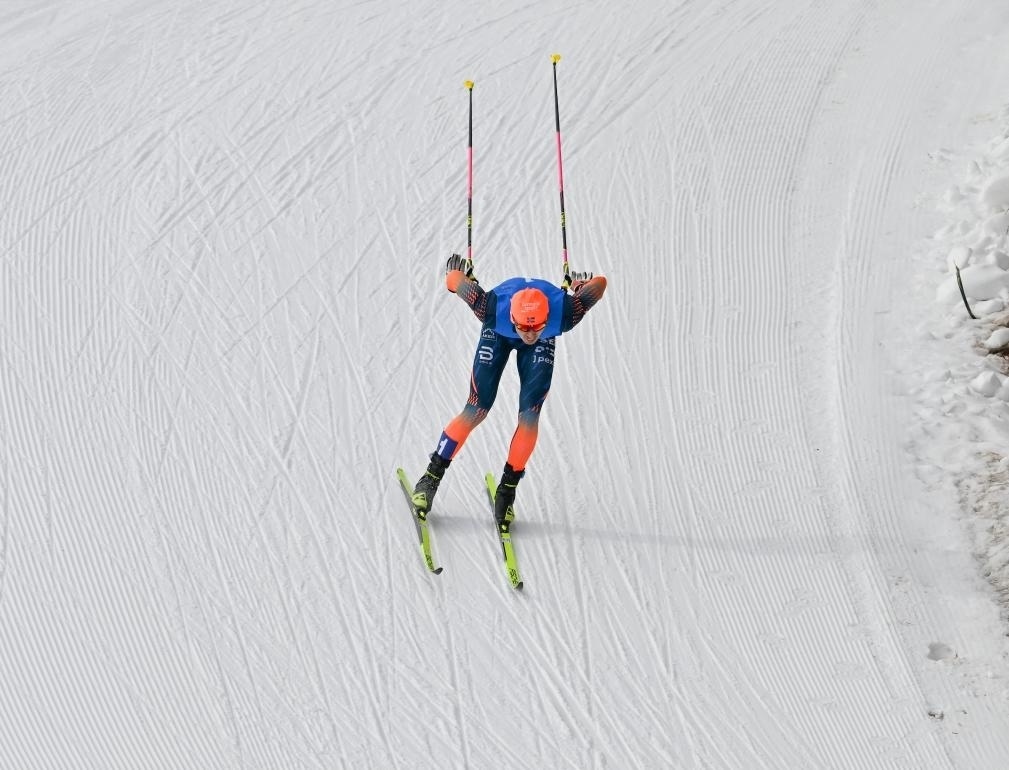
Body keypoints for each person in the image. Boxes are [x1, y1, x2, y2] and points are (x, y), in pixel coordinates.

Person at [411, 253, 608, 530]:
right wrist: (458, 279)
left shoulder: (565, 312)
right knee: (476, 408)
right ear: (513, 317)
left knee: (530, 417)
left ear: (547, 317)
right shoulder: (489, 307)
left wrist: (579, 287)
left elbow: (600, 283)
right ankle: (430, 477)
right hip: (498, 332)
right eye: (523, 327)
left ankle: (507, 490)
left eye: (535, 326)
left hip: (537, 339)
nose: (528, 334)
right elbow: (453, 280)